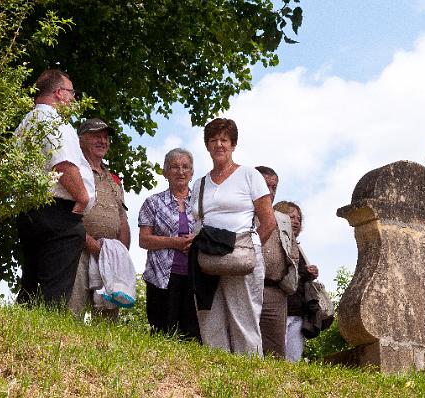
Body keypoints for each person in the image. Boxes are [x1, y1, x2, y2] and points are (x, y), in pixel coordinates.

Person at [191, 118, 276, 355]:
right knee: (210, 320)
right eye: (213, 140)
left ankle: (251, 379)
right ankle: (217, 377)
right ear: (207, 146)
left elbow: (268, 222)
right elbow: (198, 222)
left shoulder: (250, 175)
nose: (219, 144)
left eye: (224, 140)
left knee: (244, 322)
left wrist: (248, 247)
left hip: (241, 253)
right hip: (208, 257)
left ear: (233, 145)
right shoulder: (200, 184)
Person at [16, 69, 95, 306]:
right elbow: (63, 163)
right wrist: (82, 199)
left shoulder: (26, 122)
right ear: (60, 93)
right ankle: (44, 338)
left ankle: (19, 333)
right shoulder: (52, 120)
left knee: (31, 285)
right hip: (58, 213)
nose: (73, 99)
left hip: (30, 210)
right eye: (72, 93)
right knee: (54, 292)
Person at [67, 118, 131, 318]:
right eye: (96, 136)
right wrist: (92, 244)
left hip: (109, 256)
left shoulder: (114, 179)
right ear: (81, 141)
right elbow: (67, 214)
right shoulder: (75, 171)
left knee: (107, 320)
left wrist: (120, 251)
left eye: (105, 137)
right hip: (78, 250)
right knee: (72, 311)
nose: (103, 141)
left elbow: (122, 217)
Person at [138, 148, 200, 340]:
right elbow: (144, 240)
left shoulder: (201, 203)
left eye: (185, 167)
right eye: (174, 167)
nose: (180, 171)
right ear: (165, 172)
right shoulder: (153, 203)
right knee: (162, 332)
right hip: (162, 277)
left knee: (192, 334)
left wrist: (196, 243)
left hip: (195, 277)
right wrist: (175, 242)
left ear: (191, 172)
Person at [255, 166, 300, 358]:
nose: (271, 192)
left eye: (274, 187)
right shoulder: (243, 214)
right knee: (246, 344)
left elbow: (293, 253)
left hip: (275, 291)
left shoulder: (283, 220)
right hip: (247, 287)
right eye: (266, 186)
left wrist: (285, 280)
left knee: (275, 350)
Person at [273, 201, 319, 362]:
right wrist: (305, 272)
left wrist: (310, 273)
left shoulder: (297, 248)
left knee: (293, 360)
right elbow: (278, 270)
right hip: (279, 308)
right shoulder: (275, 242)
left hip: (298, 312)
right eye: (291, 217)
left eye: (299, 218)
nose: (296, 221)